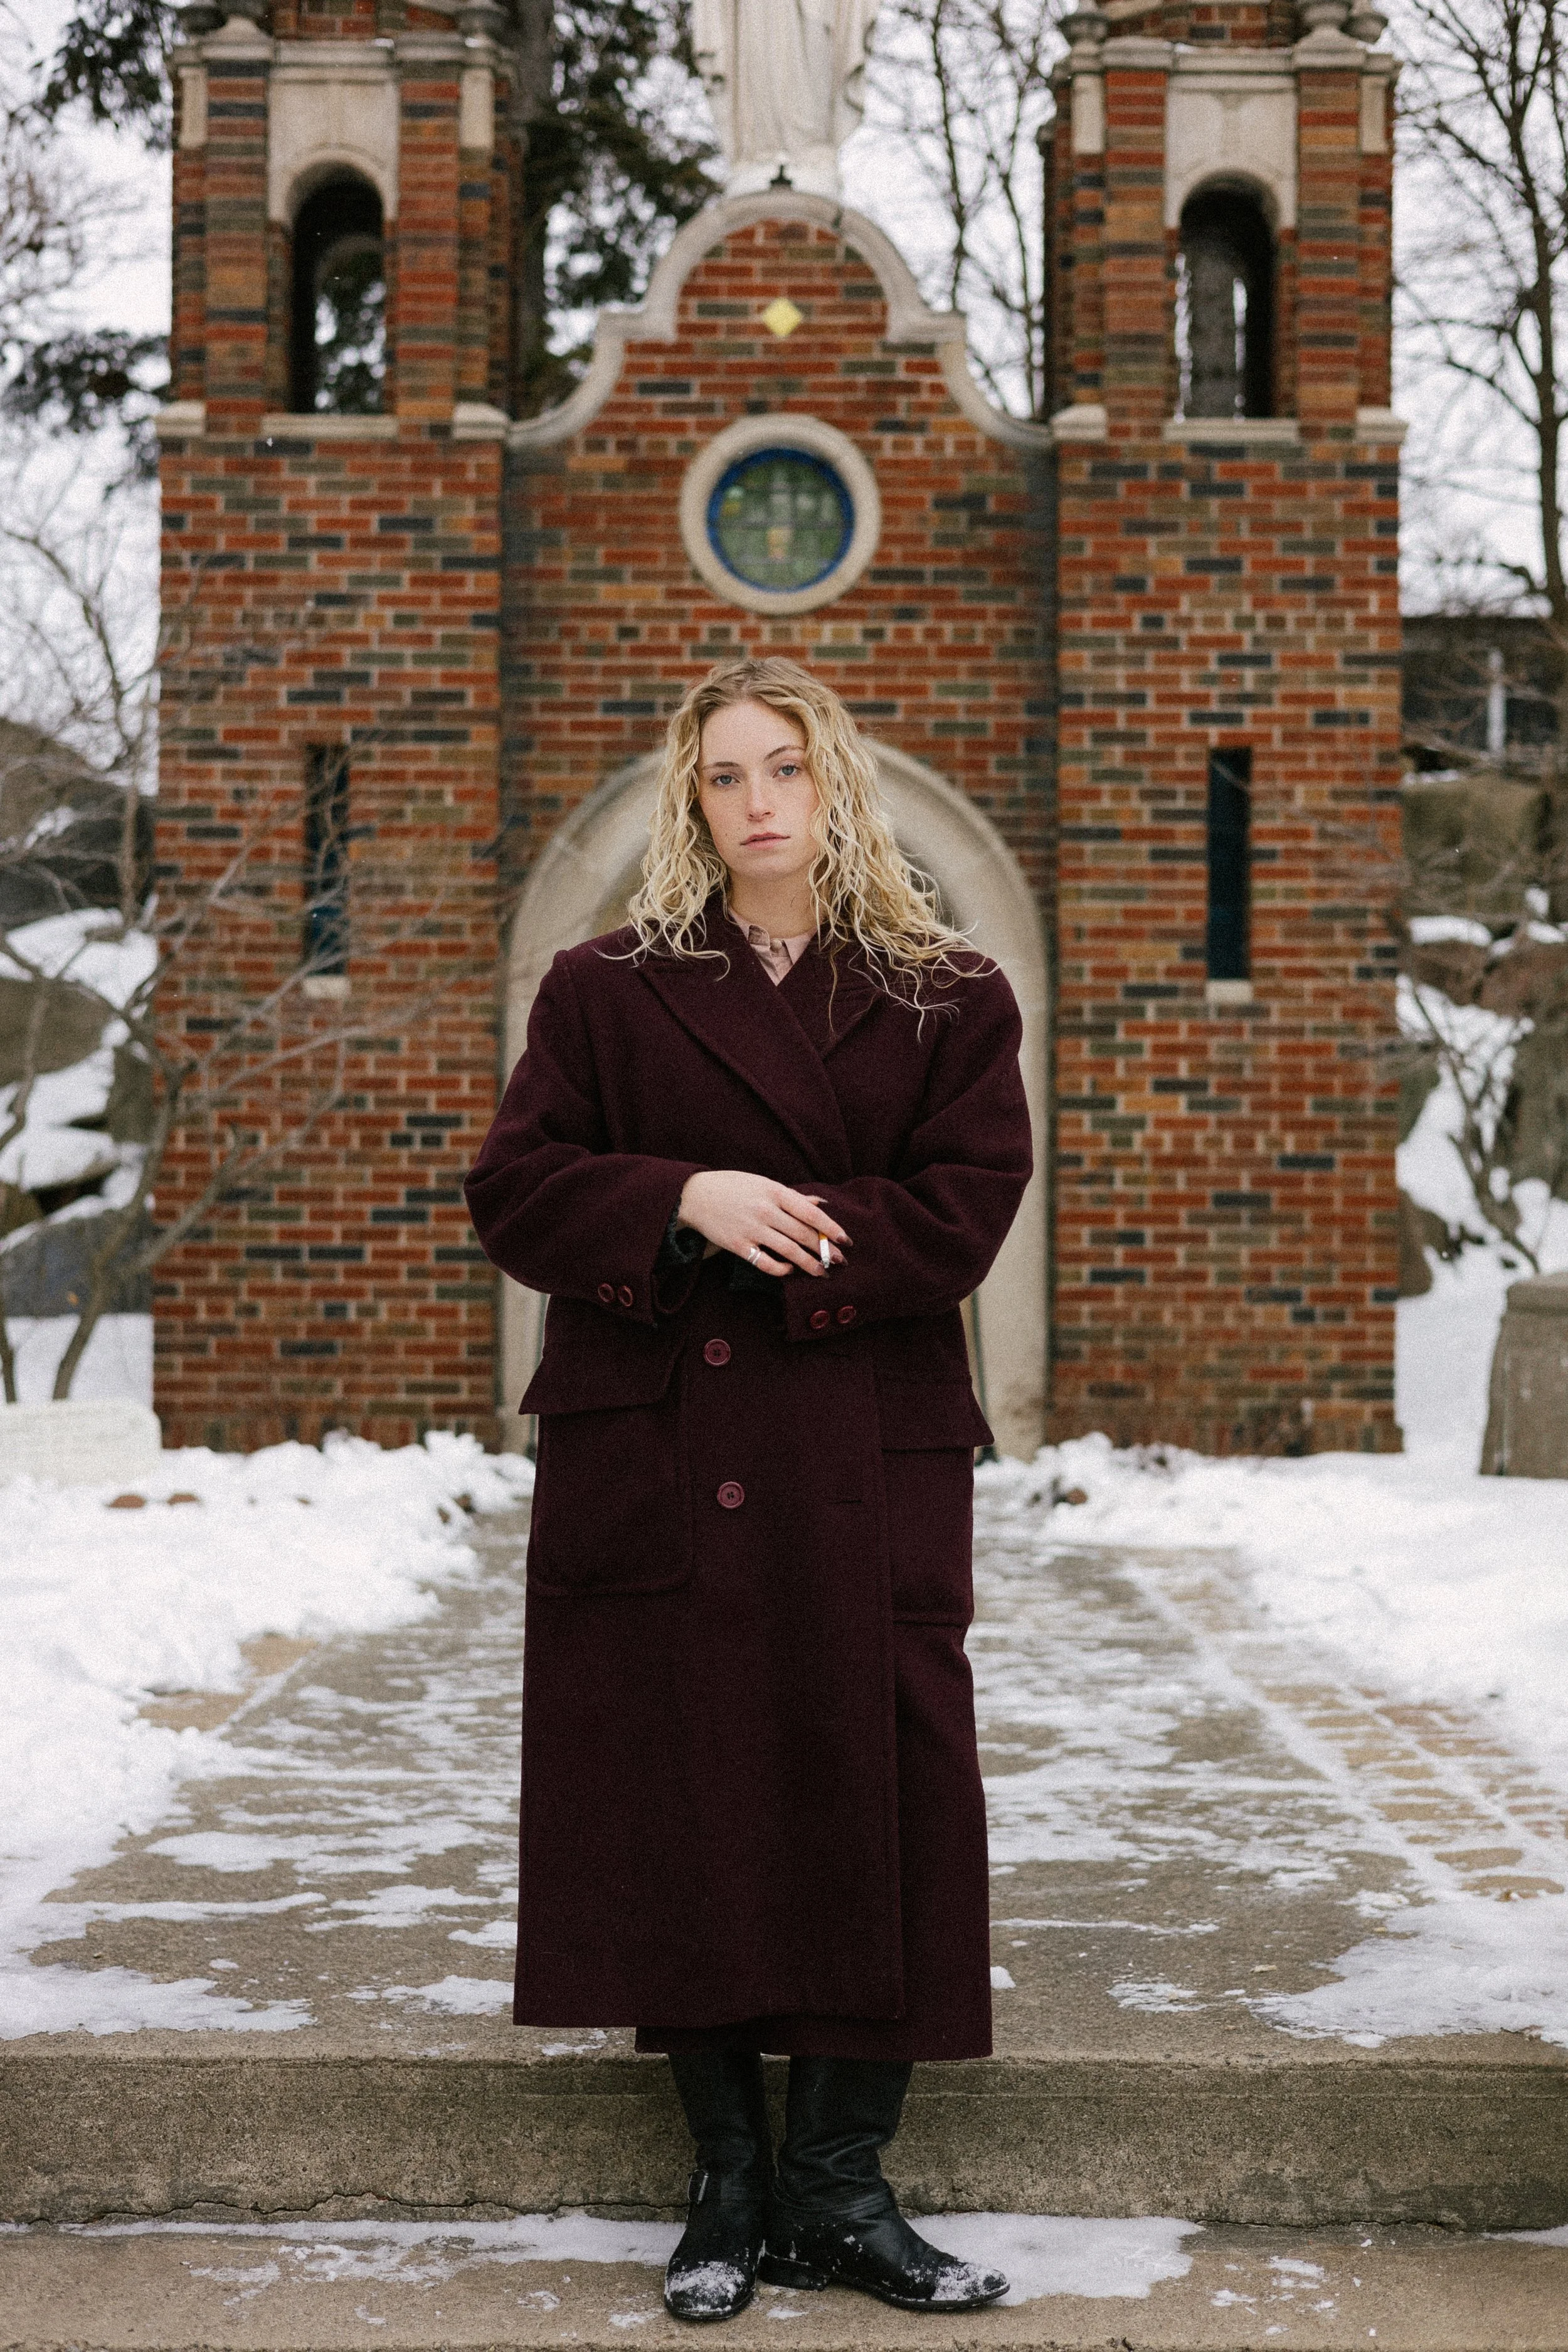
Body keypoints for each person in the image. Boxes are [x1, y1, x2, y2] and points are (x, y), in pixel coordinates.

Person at [464, 657, 1032, 2323]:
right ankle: (723, 2184)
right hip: (662, 1451)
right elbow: (514, 1188)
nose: (760, 799)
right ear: (689, 799)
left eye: (787, 765)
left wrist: (799, 1239)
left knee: (891, 1777)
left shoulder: (946, 993)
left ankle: (844, 2188)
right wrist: (685, 1192)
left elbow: (968, 1201)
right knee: (685, 1781)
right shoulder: (601, 988)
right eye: (726, 774)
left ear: (834, 781)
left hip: (861, 1441)